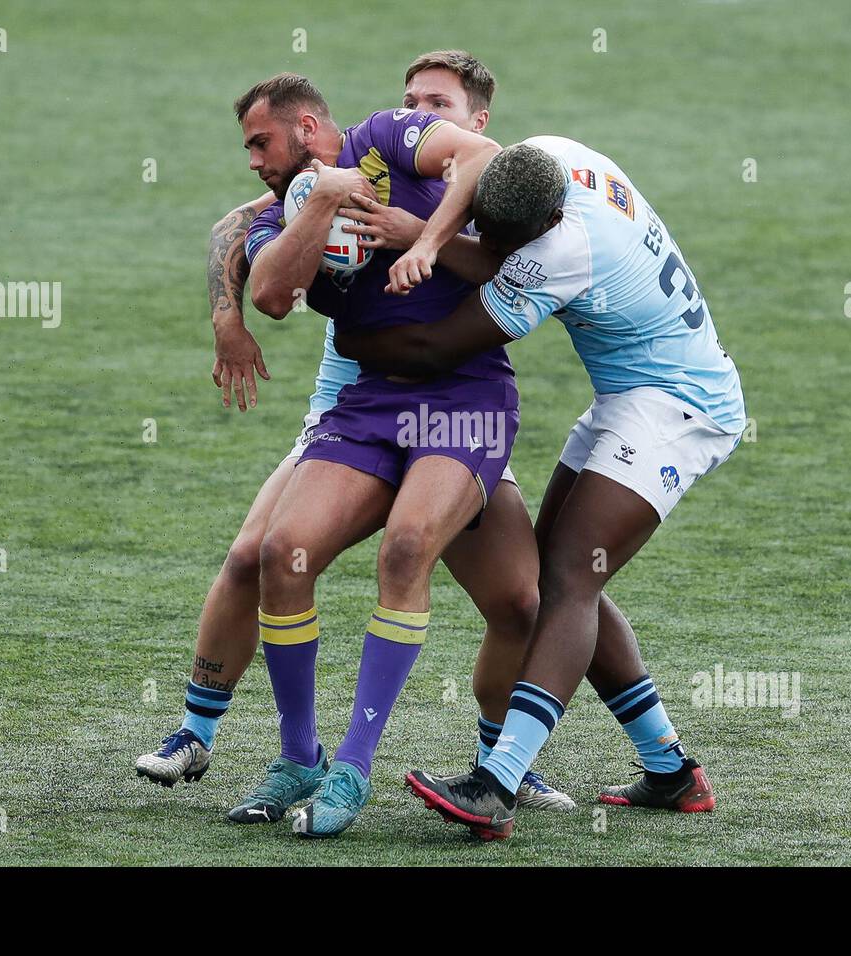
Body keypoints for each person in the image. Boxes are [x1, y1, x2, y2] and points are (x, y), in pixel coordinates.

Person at [135, 54, 573, 815]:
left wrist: (424, 241)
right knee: (273, 552)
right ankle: (295, 757)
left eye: (259, 144)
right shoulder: (283, 207)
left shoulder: (387, 138)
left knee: (484, 583)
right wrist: (318, 203)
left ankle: (366, 768)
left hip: (462, 401)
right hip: (366, 400)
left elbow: (484, 160)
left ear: (306, 127)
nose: (251, 162)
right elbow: (269, 289)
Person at [335, 137, 746, 839]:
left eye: (499, 238)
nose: (482, 237)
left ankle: (495, 784)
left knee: (567, 579)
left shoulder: (562, 249)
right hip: (632, 391)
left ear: (543, 224)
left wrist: (346, 332)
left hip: (677, 406)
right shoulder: (550, 158)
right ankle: (672, 771)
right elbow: (484, 220)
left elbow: (438, 346)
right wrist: (422, 236)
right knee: (564, 574)